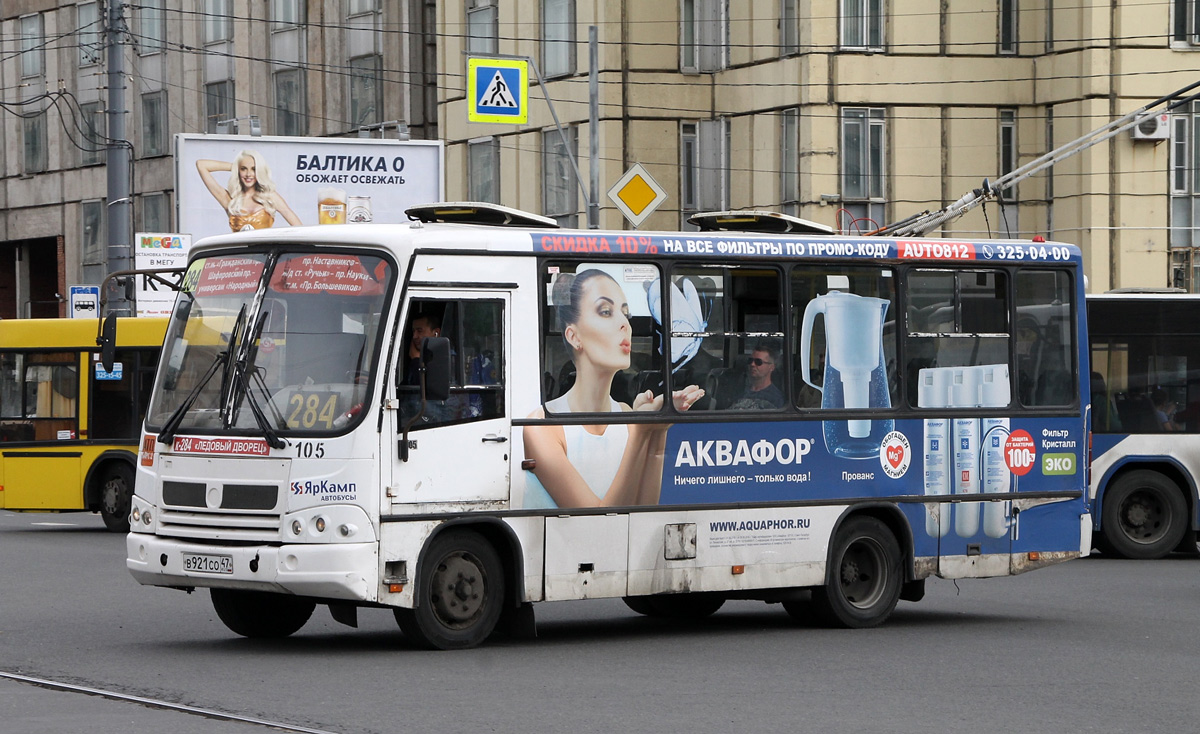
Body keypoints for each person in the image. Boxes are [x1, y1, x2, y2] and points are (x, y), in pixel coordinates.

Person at [523, 269, 704, 509]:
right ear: (573, 335)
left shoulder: (627, 414)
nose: (625, 324)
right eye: (605, 311)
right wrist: (641, 432)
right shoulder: (541, 426)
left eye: (625, 313)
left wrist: (658, 429)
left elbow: (644, 509)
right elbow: (598, 523)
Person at [197, 150, 302, 232]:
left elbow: (299, 227)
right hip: (239, 257)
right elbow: (201, 165)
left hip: (265, 256)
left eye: (253, 169)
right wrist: (234, 167)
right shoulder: (230, 200)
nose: (248, 174)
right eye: (243, 169)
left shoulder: (270, 196)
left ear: (259, 171)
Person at [734, 343, 785, 409]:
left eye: (758, 362)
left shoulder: (776, 398)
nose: (752, 364)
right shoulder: (739, 391)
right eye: (750, 360)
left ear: (771, 367)